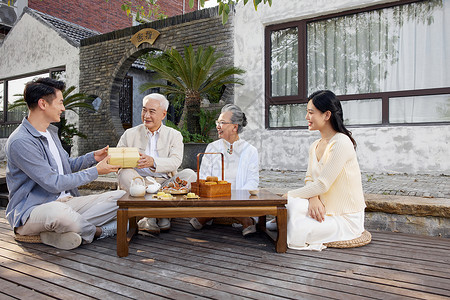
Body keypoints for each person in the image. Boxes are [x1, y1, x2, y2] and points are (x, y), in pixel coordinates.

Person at [5, 77, 126, 250]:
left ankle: (60, 233)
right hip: (34, 210)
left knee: (122, 198)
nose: (63, 108)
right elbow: (53, 183)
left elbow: (64, 166)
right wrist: (96, 171)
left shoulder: (50, 132)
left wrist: (93, 157)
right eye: (60, 102)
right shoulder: (21, 141)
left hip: (68, 202)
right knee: (59, 214)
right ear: (43, 104)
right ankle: (99, 231)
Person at [267, 90, 366, 250]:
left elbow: (322, 185)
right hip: (322, 209)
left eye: (311, 112)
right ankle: (282, 221)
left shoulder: (341, 142)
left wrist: (287, 196)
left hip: (344, 218)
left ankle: (283, 222)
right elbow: (309, 179)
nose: (307, 117)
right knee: (295, 205)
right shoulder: (315, 145)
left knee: (297, 223)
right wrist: (313, 198)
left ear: (327, 115)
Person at [117, 93, 196, 234]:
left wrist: (153, 162)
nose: (146, 115)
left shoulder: (174, 135)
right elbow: (117, 158)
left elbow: (176, 162)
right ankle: (159, 215)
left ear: (163, 114)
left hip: (164, 185)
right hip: (138, 183)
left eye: (151, 111)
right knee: (124, 172)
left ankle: (153, 215)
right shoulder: (129, 134)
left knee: (190, 175)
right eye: (144, 110)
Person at [189, 104, 259, 236]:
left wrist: (235, 198)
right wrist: (216, 195)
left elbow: (253, 181)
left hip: (239, 199)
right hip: (214, 197)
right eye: (218, 122)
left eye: (222, 123)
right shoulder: (212, 147)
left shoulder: (250, 151)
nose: (218, 126)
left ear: (234, 127)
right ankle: (243, 220)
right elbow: (203, 176)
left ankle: (208, 216)